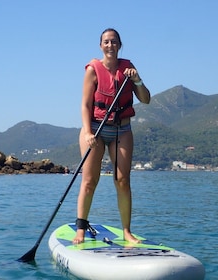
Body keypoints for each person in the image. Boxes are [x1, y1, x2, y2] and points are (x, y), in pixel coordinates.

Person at [73, 28, 151, 244]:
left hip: (122, 130)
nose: (110, 45)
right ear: (101, 46)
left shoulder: (129, 68)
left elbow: (146, 99)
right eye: (106, 42)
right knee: (90, 181)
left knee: (123, 181)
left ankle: (127, 231)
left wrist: (137, 80)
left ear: (119, 45)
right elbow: (85, 104)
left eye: (114, 42)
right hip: (96, 129)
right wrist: (88, 131)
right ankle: (80, 229)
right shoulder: (92, 69)